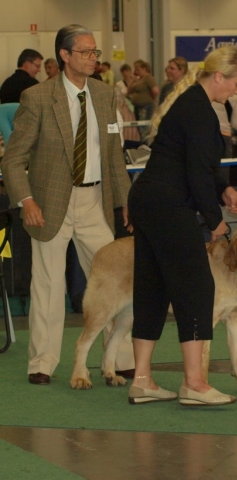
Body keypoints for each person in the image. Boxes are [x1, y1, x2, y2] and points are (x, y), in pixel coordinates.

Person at [0, 24, 134, 385]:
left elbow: (114, 157)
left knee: (116, 281)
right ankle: (42, 362)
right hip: (49, 203)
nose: (94, 58)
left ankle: (121, 358)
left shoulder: (106, 96)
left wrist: (125, 202)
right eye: (86, 52)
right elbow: (13, 160)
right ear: (65, 55)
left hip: (95, 201)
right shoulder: (37, 98)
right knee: (47, 285)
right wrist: (26, 199)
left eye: (95, 53)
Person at [127, 45, 237, 406]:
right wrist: (215, 222)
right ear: (218, 77)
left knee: (151, 289)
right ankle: (194, 384)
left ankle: (142, 380)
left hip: (148, 200)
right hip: (168, 204)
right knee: (196, 289)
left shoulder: (194, 104)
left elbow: (198, 167)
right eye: (236, 83)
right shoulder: (200, 111)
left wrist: (224, 188)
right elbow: (196, 172)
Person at [128, 59, 159, 139]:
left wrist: (151, 98)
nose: (136, 71)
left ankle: (146, 143)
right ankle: (142, 142)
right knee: (139, 127)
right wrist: (132, 80)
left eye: (138, 69)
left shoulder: (148, 78)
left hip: (145, 106)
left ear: (144, 69)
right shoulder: (139, 79)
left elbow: (155, 91)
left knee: (144, 128)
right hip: (137, 107)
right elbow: (129, 90)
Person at [115, 63, 140, 143]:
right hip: (125, 107)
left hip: (136, 105)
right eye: (123, 71)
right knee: (126, 125)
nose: (125, 73)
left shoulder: (137, 81)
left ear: (130, 71)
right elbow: (122, 94)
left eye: (126, 71)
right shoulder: (119, 84)